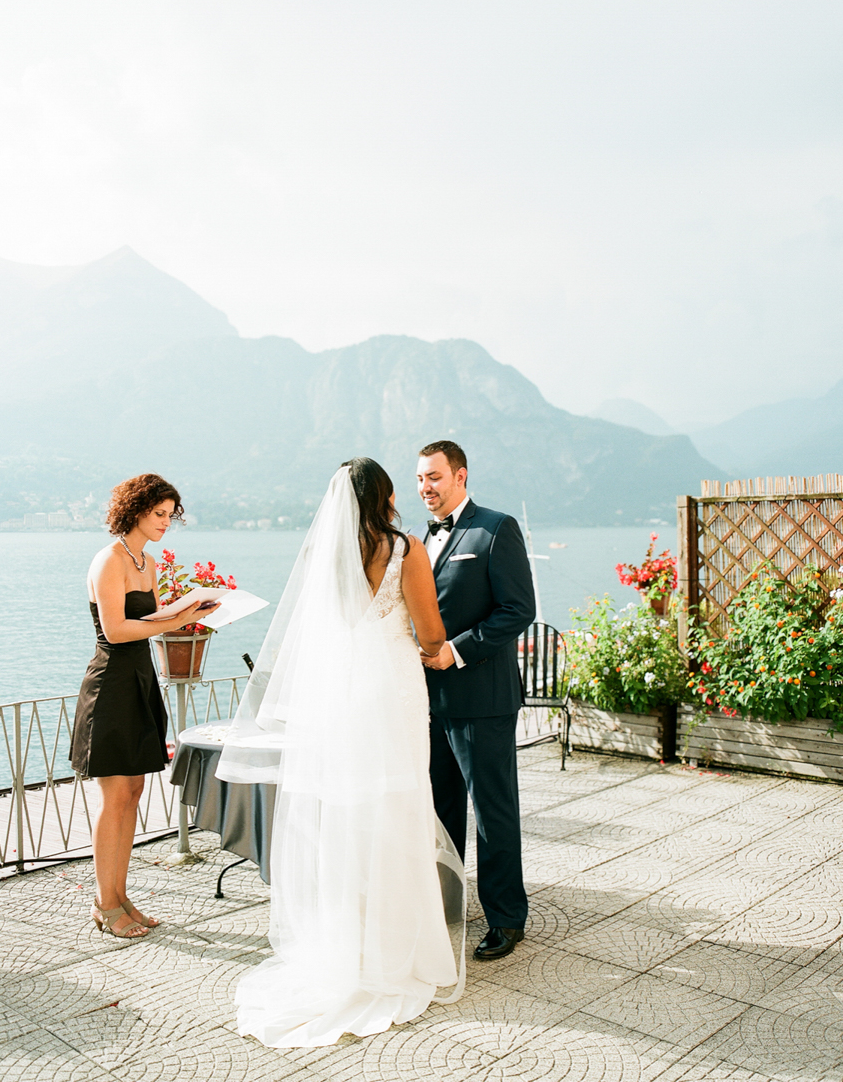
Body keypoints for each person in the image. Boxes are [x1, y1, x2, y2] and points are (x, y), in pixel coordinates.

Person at [216, 459, 465, 1047]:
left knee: (345, 812)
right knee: (397, 805)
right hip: (394, 692)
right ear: (386, 495)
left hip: (340, 698)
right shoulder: (405, 549)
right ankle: (397, 948)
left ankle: (345, 945)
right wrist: (433, 645)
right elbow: (430, 633)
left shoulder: (325, 557)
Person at [70, 473, 216, 940]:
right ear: (136, 510)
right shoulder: (109, 560)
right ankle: (104, 903)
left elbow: (148, 621)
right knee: (115, 797)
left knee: (132, 793)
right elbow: (115, 631)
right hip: (111, 683)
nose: (166, 523)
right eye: (159, 514)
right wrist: (182, 617)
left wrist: (190, 612)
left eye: (171, 516)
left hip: (139, 680)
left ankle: (119, 894)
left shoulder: (147, 563)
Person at [413, 440, 536, 960]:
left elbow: (518, 609)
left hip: (483, 699)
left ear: (461, 475)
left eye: (435, 477)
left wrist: (456, 653)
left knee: (493, 813)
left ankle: (507, 919)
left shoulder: (495, 528)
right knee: (440, 812)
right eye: (421, 479)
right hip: (430, 703)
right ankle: (446, 905)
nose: (426, 488)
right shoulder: (422, 538)